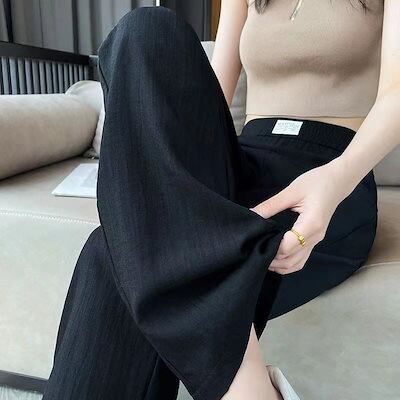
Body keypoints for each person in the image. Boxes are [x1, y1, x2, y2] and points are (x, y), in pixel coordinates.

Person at [43, 2, 400, 400]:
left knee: (111, 252)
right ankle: (247, 383)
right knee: (145, 29)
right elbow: (205, 98)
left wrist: (337, 179)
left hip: (331, 171)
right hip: (243, 160)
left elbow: (396, 93)